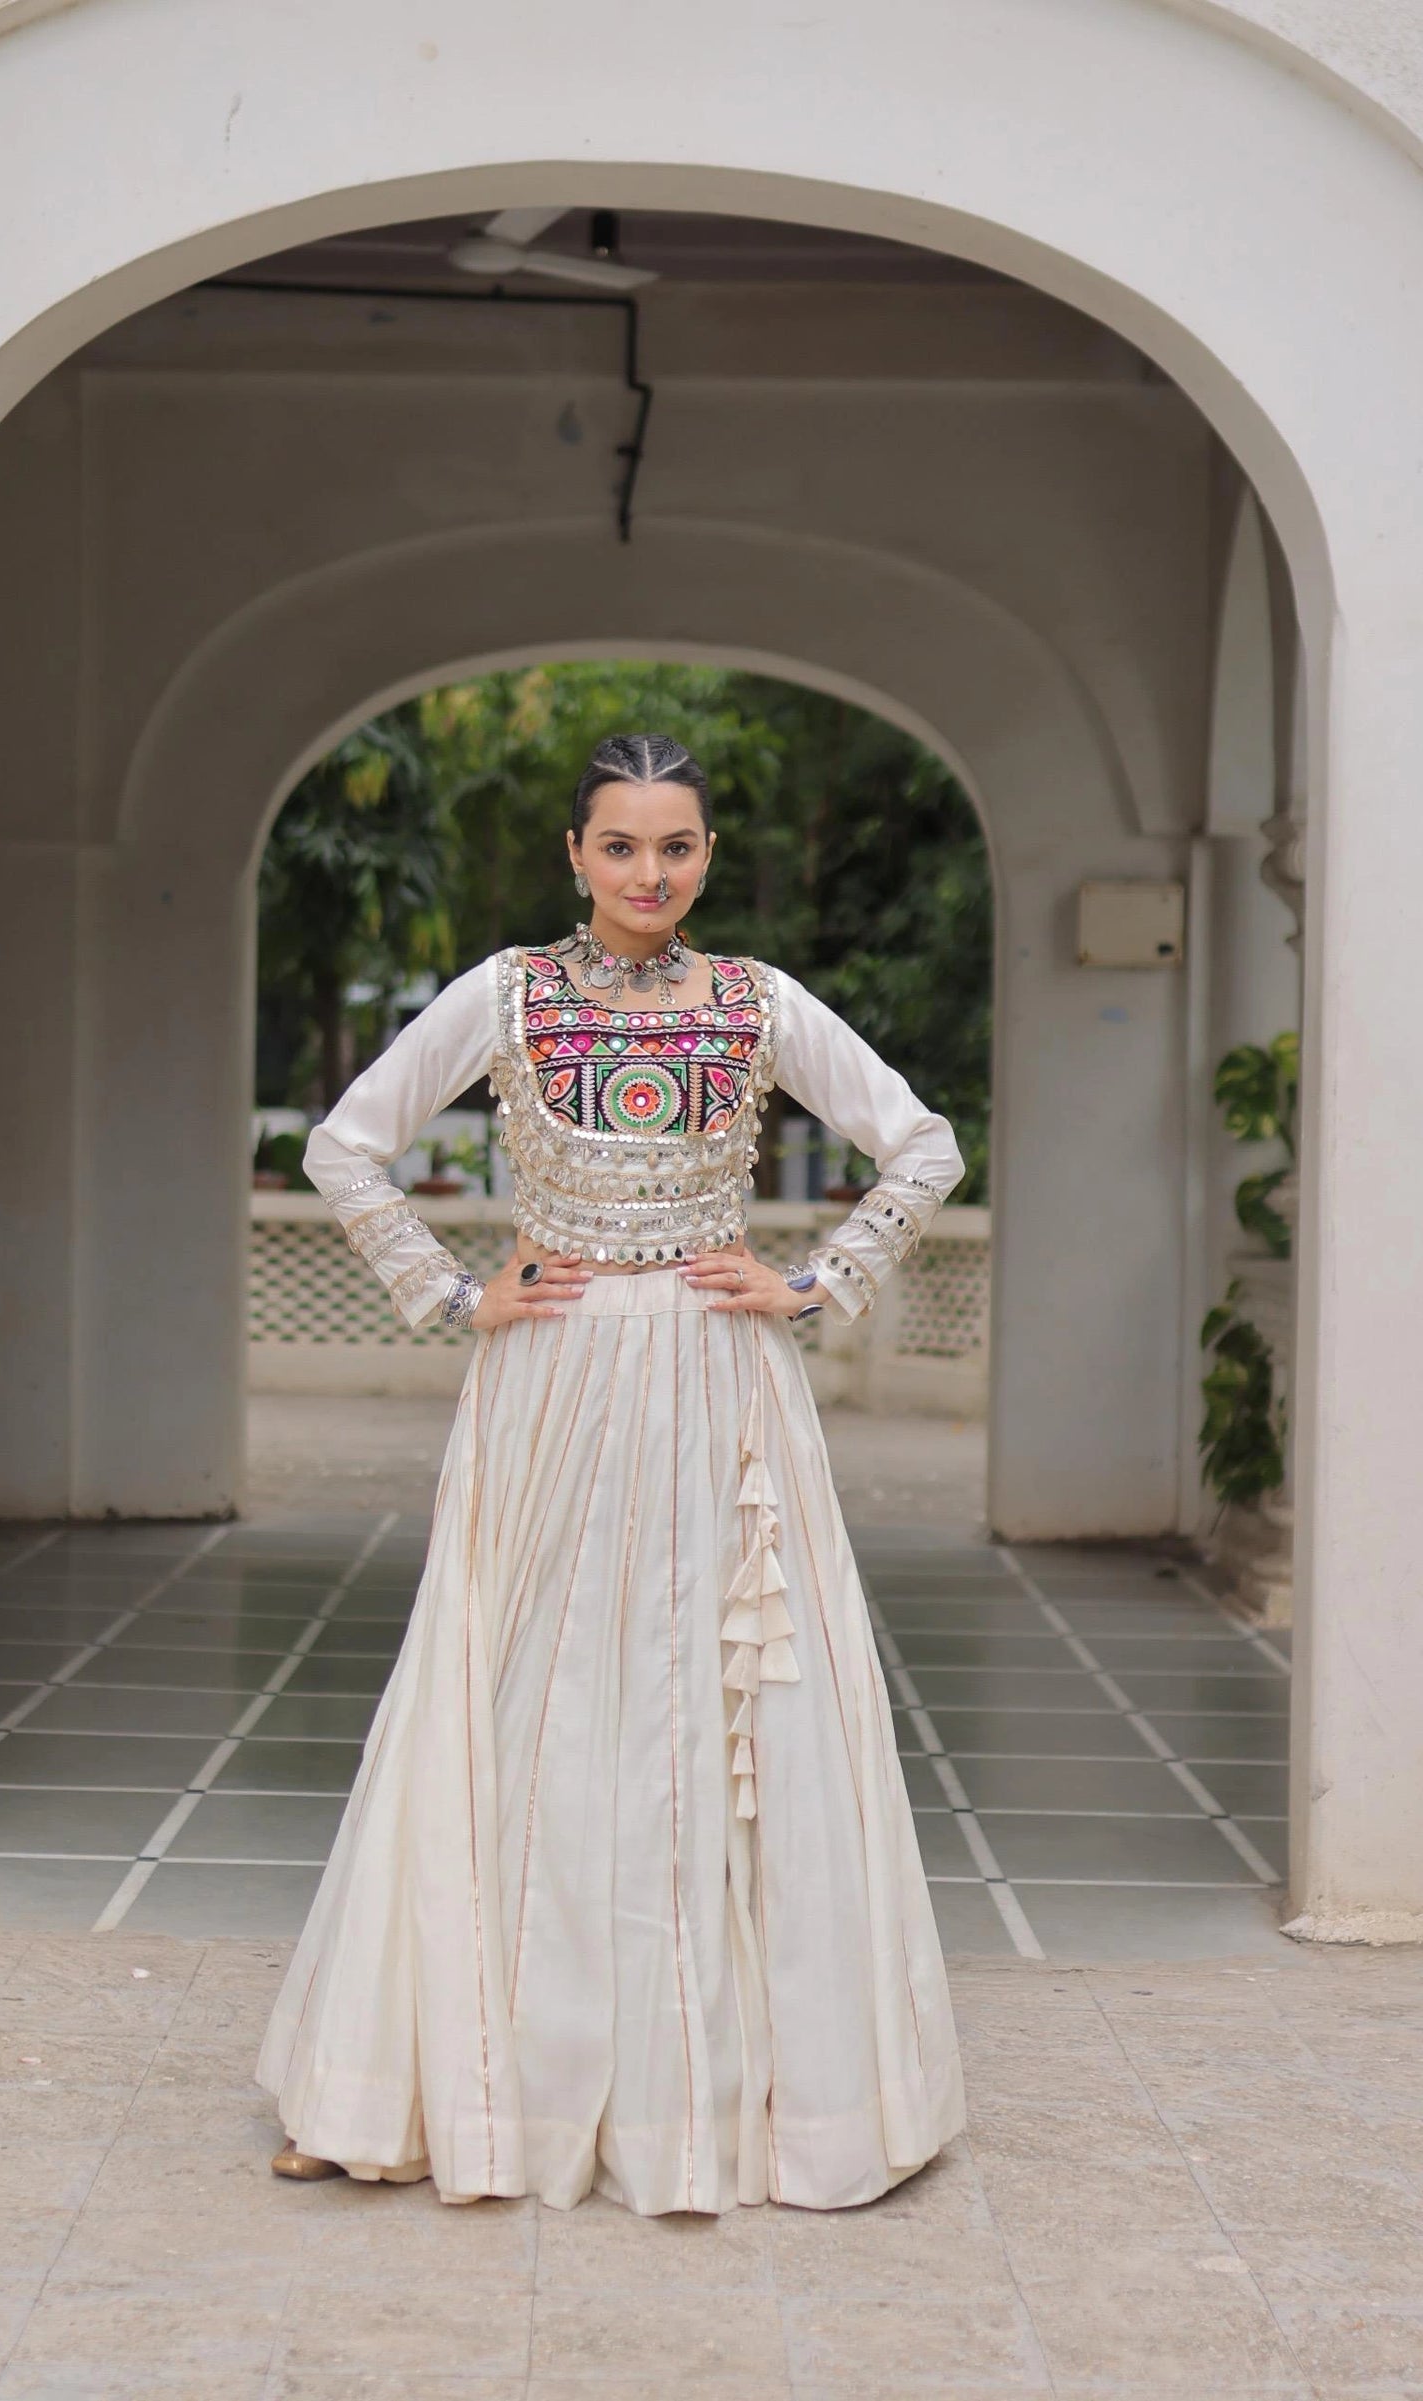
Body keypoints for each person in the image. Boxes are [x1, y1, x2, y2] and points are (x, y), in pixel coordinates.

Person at [256, 732, 967, 2215]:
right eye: (623, 846)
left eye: (679, 847)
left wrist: (813, 1282)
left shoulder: (757, 1001)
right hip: (553, 1373)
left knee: (713, 1702)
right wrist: (455, 1297)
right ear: (574, 855)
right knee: (516, 1682)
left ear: (709, 857)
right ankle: (410, 2075)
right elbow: (346, 1144)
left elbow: (923, 1145)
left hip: (720, 1377)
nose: (652, 873)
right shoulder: (507, 993)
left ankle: (744, 2096)